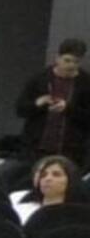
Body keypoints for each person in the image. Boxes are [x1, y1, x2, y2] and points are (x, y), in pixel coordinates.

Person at [15, 37, 90, 165]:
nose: (71, 66)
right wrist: (38, 104)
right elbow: (20, 110)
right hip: (36, 147)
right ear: (57, 58)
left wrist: (68, 108)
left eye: (76, 62)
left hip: (71, 150)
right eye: (67, 60)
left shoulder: (86, 83)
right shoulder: (40, 79)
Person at [11, 154, 81, 223]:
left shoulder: (79, 214)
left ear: (71, 179)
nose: (48, 178)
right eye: (43, 175)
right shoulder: (20, 210)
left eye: (56, 174)